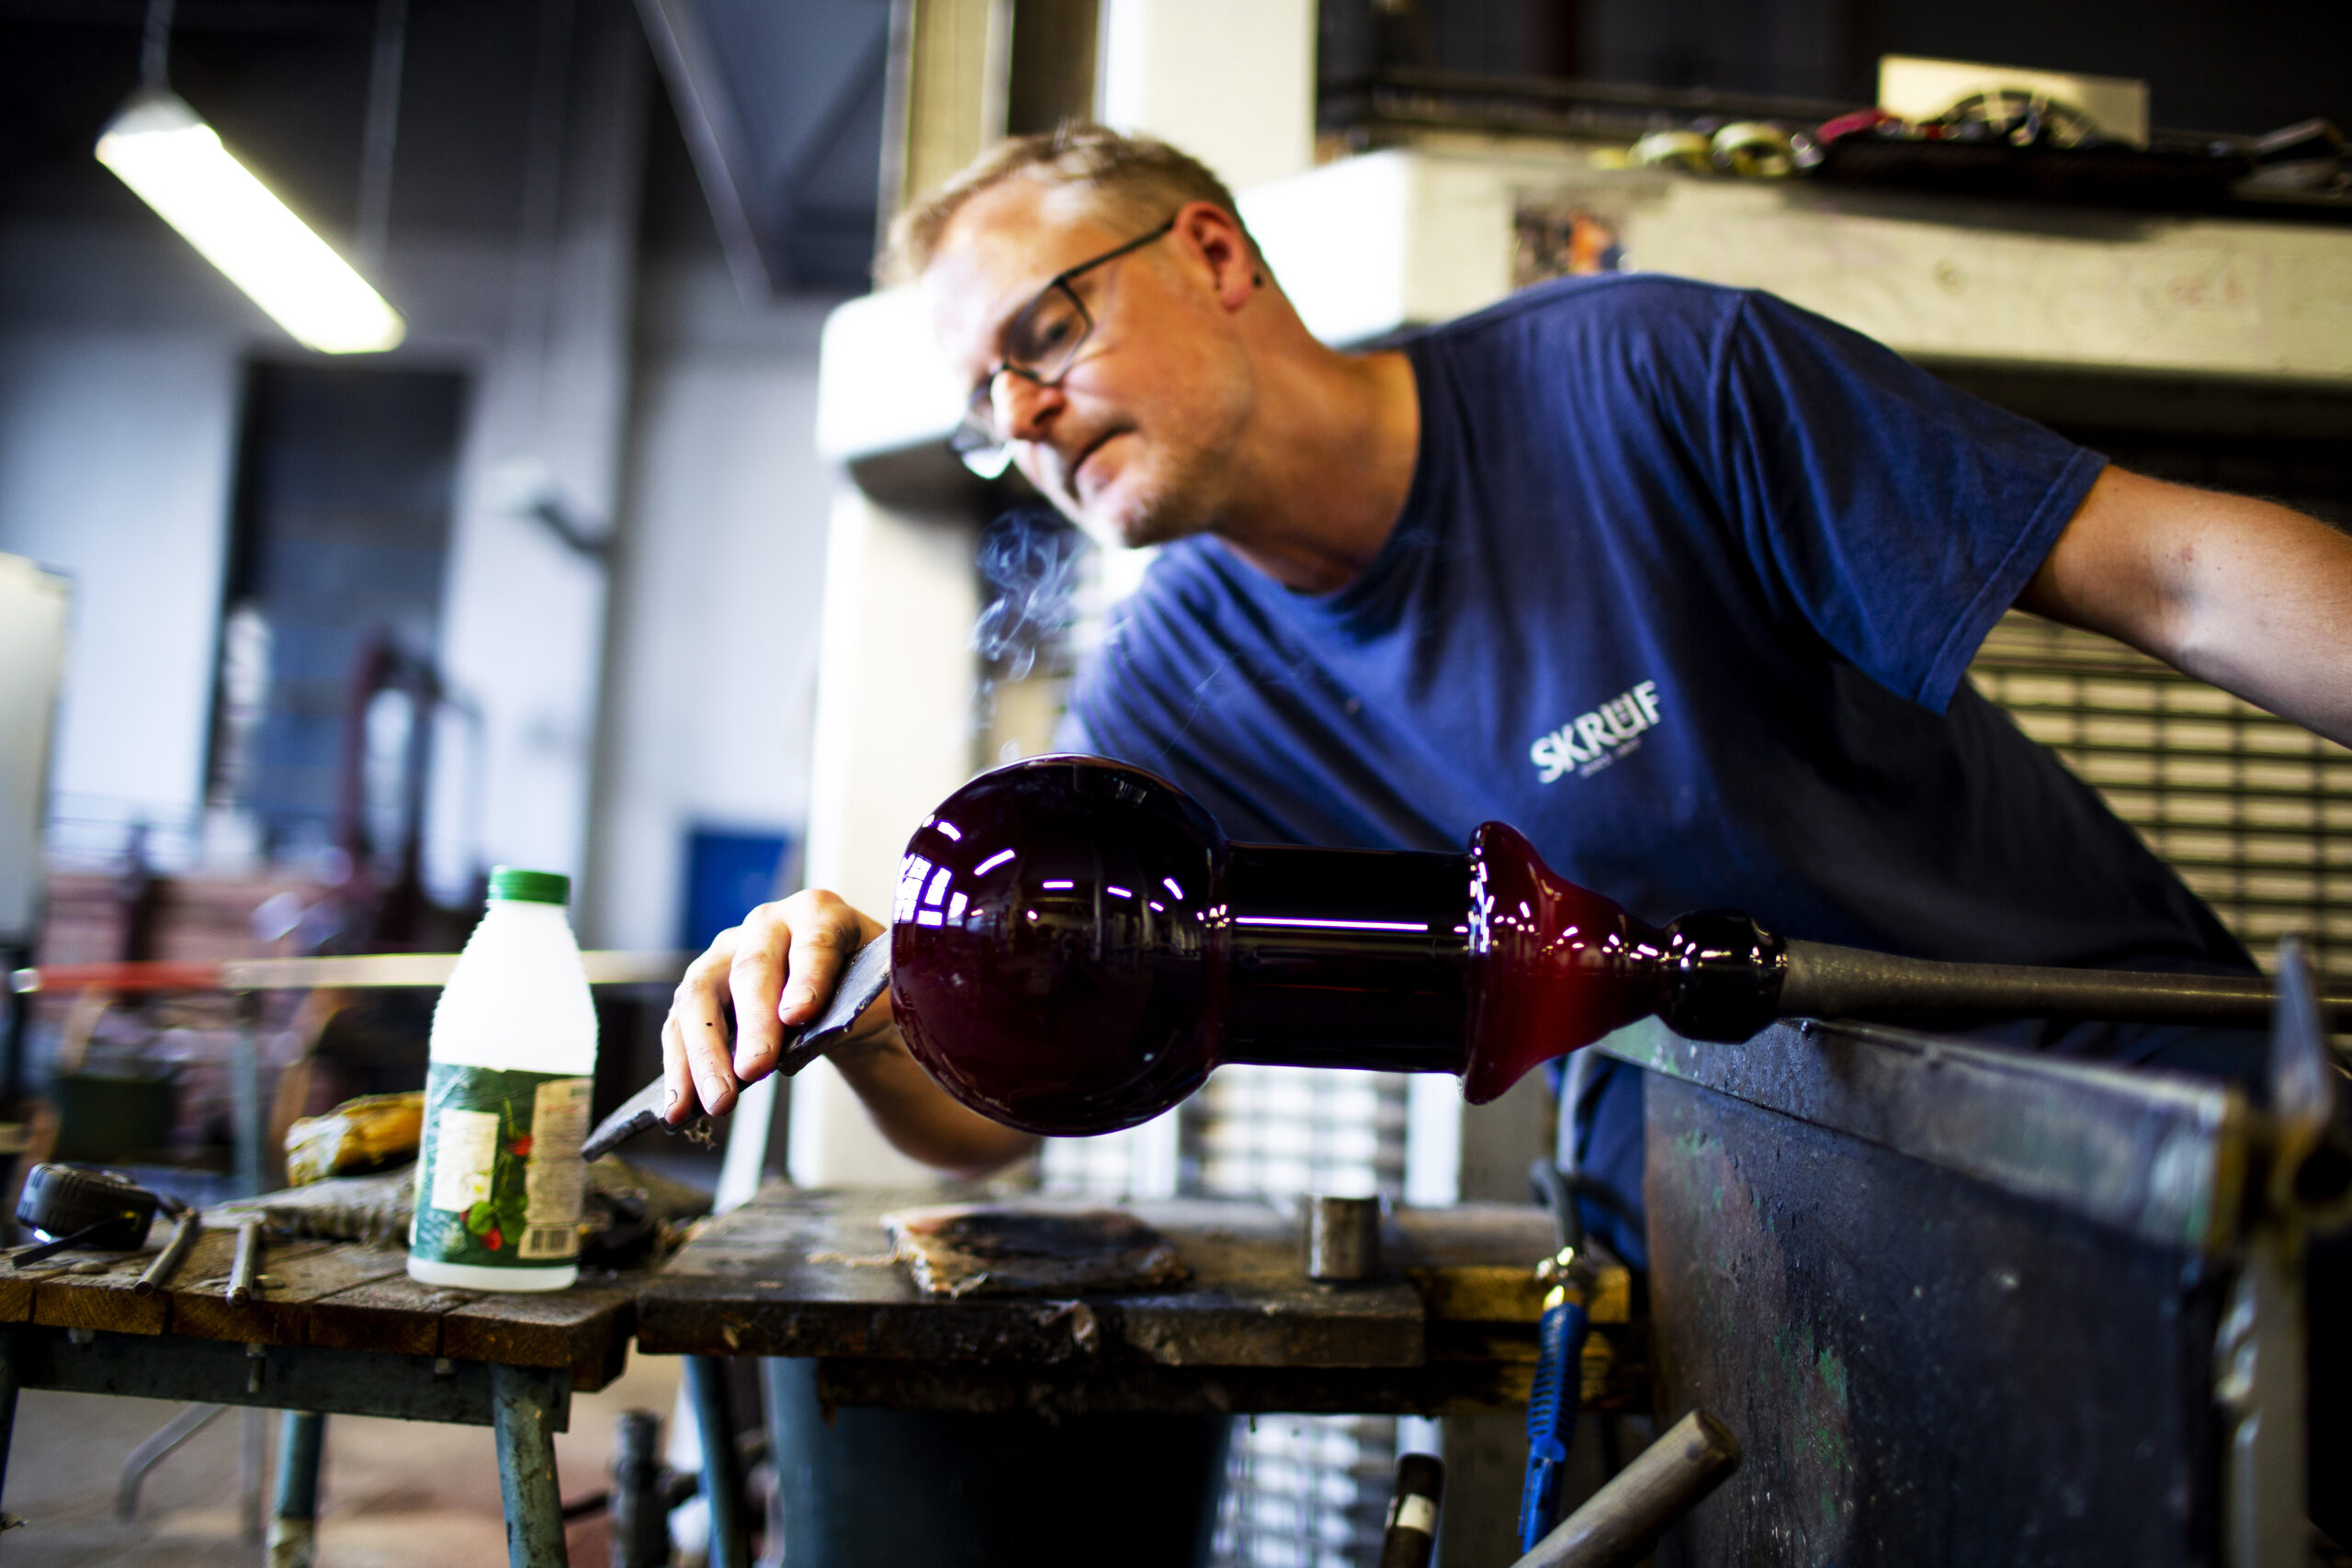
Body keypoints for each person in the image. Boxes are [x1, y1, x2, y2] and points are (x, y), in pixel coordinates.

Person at [660, 127, 2352, 1249]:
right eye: (982, 408)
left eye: (1041, 337)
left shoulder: (1651, 378)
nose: (1021, 422)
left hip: (2106, 1092)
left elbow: (2178, 576)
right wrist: (860, 1001)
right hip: (1745, 1200)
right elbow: (997, 1103)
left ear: (1215, 255)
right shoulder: (1182, 682)